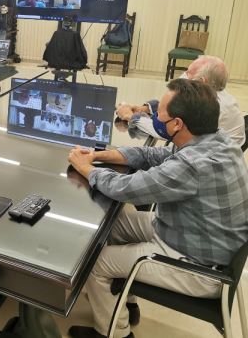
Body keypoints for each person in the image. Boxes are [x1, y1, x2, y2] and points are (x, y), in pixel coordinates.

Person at [67, 79, 248, 338]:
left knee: (95, 263)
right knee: (116, 221)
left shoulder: (192, 166)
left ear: (177, 124)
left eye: (161, 114)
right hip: (189, 234)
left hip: (200, 267)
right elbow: (154, 156)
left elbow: (126, 188)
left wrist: (86, 169)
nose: (154, 117)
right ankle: (126, 301)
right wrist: (98, 155)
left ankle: (115, 334)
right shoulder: (218, 141)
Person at [116, 55, 245, 146]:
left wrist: (130, 116)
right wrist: (146, 109)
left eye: (189, 74)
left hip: (207, 166)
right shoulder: (213, 93)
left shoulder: (209, 106)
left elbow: (165, 130)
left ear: (202, 82)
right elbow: (175, 105)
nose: (184, 77)